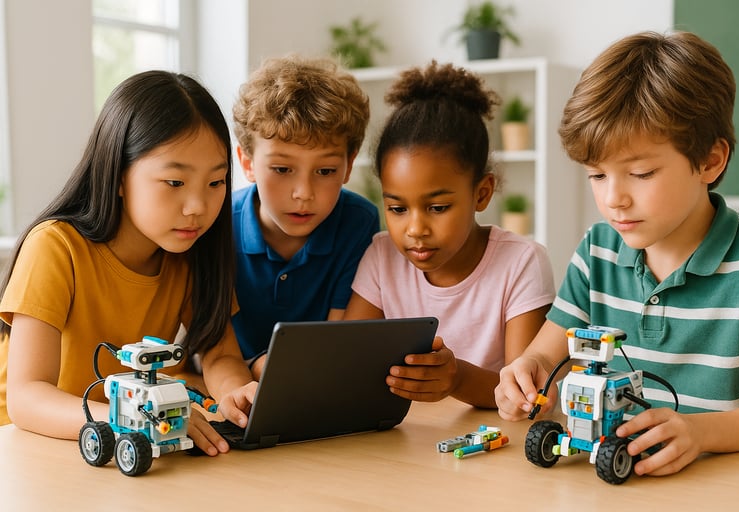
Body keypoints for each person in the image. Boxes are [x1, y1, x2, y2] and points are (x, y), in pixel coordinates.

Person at [494, 31, 739, 477]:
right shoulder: (596, 252)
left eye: (640, 173)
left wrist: (700, 433)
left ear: (710, 161)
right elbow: (544, 357)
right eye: (597, 175)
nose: (614, 198)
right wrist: (524, 373)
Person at [0, 70, 256, 456]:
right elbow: (27, 397)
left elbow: (219, 353)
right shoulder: (55, 246)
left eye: (216, 183)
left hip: (126, 444)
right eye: (174, 183)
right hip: (34, 445)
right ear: (119, 175)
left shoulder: (189, 253)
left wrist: (236, 394)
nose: (198, 207)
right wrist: (139, 419)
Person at [344, 61, 556, 408]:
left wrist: (457, 378)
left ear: (481, 193)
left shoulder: (520, 262)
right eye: (397, 209)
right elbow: (348, 360)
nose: (415, 230)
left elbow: (526, 396)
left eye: (438, 207)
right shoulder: (381, 256)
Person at [231, 55, 379, 379]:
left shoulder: (359, 222)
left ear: (349, 166)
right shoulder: (219, 224)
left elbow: (337, 340)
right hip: (226, 386)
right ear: (247, 162)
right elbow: (205, 345)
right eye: (282, 169)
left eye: (325, 171)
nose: (303, 193)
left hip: (315, 383)